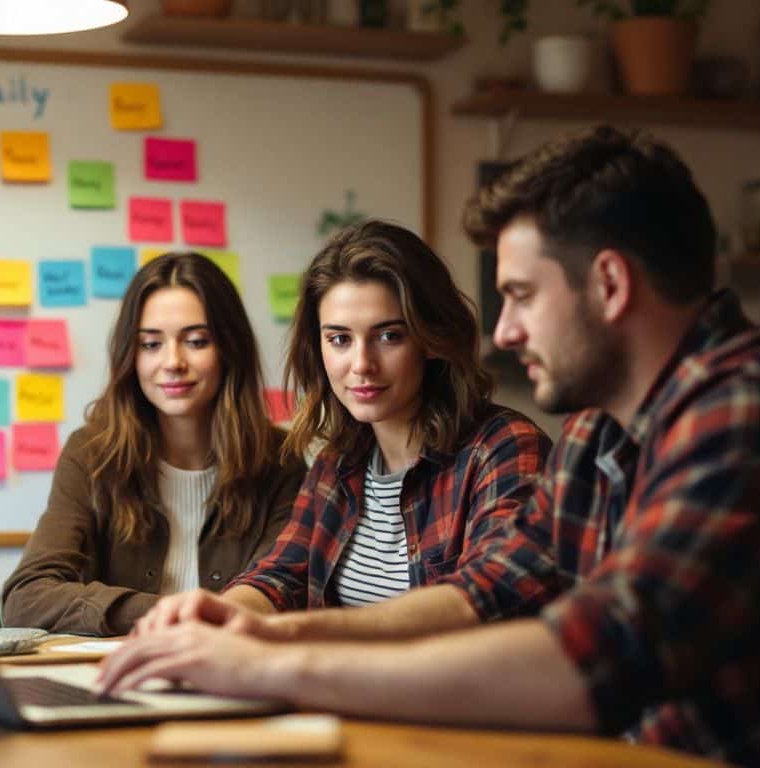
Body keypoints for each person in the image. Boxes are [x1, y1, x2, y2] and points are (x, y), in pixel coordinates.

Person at [98, 127, 760, 766]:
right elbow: (492, 593)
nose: (508, 331)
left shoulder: (757, 407)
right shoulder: (599, 432)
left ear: (611, 285)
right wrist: (266, 632)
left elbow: (592, 659)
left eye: (519, 295)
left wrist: (269, 669)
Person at [135, 220, 553, 642]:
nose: (361, 365)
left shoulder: (504, 447)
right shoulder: (338, 463)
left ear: (431, 339)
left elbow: (491, 593)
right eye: (339, 339)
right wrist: (214, 613)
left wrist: (297, 630)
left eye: (389, 336)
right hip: (342, 698)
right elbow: (280, 576)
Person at [0, 252, 306, 635]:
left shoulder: (280, 463)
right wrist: (170, 612)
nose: (172, 361)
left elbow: (282, 595)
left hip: (235, 678)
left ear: (229, 350)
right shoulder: (92, 454)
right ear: (131, 356)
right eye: (150, 345)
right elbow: (26, 598)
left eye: (196, 341)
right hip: (119, 681)